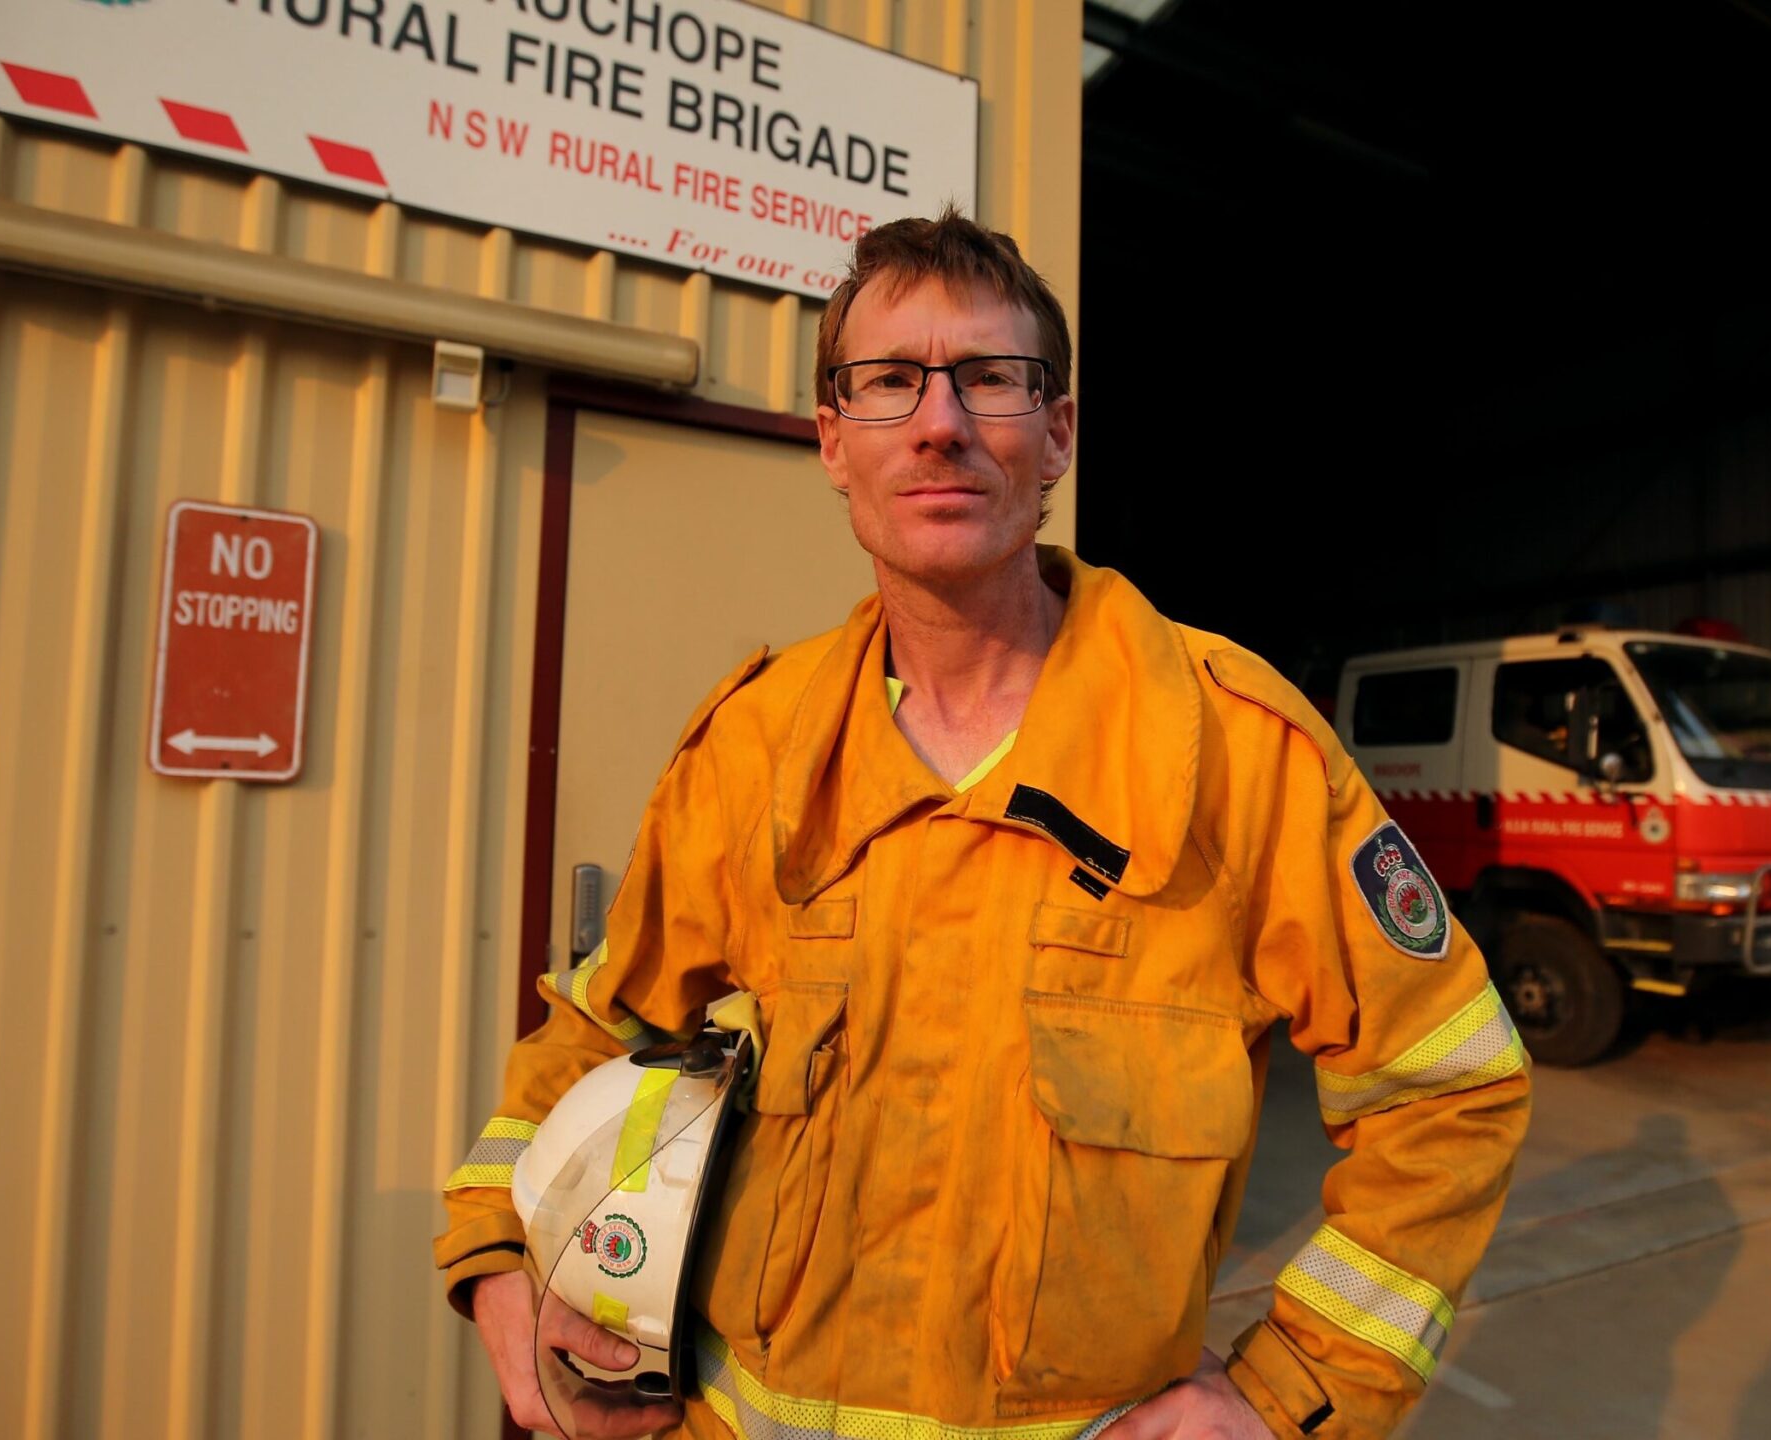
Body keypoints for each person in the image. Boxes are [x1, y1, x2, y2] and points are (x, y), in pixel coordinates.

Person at [434, 208, 1531, 1440]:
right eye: (889, 382)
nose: (940, 423)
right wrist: (495, 1251)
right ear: (832, 441)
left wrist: (1287, 1395)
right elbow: (597, 1030)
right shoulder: (754, 747)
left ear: (1055, 433)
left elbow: (1451, 1088)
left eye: (989, 381)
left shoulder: (1233, 751)